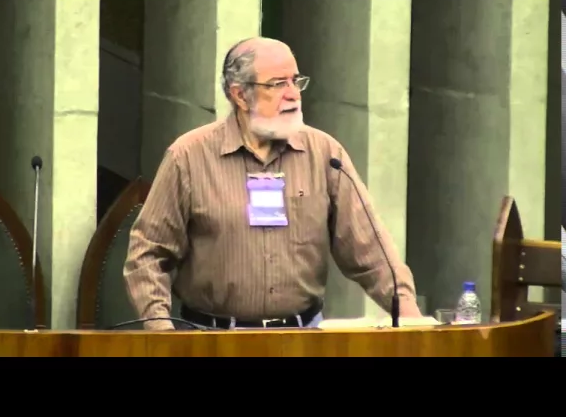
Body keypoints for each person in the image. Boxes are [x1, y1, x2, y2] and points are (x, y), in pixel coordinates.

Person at [123, 37, 422, 330]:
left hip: (302, 338)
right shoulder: (188, 156)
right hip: (212, 339)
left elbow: (372, 253)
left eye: (295, 81)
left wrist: (413, 323)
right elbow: (148, 255)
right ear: (240, 96)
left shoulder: (325, 153)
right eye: (278, 84)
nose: (293, 94)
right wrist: (162, 333)